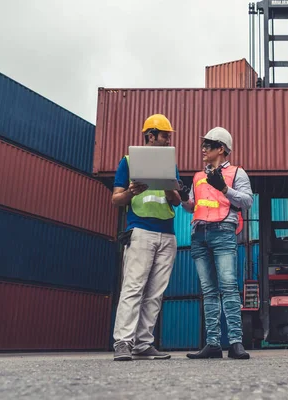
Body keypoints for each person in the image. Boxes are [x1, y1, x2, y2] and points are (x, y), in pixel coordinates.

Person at [111, 114, 182, 361]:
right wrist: (131, 191)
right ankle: (123, 342)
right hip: (140, 231)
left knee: (155, 293)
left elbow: (177, 200)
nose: (168, 140)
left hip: (167, 234)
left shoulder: (170, 165)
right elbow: (116, 199)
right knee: (133, 287)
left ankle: (143, 344)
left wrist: (167, 185)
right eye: (164, 136)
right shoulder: (128, 162)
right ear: (150, 135)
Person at [180, 127, 254, 360]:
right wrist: (183, 197)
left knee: (229, 287)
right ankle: (212, 344)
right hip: (199, 234)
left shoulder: (237, 172)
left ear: (221, 149)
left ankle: (235, 343)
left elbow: (247, 201)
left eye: (208, 145)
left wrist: (223, 187)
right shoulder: (197, 176)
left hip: (223, 232)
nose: (203, 149)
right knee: (209, 290)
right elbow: (191, 206)